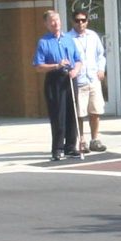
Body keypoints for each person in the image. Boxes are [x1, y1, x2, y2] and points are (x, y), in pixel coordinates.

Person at [33, 9, 84, 162]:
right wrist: (56, 65)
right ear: (47, 24)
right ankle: (57, 148)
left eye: (57, 20)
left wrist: (76, 70)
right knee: (58, 114)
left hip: (70, 77)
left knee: (72, 113)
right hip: (54, 79)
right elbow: (38, 66)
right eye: (52, 21)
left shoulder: (69, 39)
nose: (56, 24)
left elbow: (78, 59)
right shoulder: (44, 42)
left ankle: (70, 146)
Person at [69, 10, 111, 154]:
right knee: (79, 113)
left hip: (93, 79)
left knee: (95, 111)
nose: (80, 23)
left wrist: (101, 69)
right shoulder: (69, 38)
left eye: (83, 20)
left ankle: (95, 140)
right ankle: (82, 141)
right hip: (79, 80)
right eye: (77, 20)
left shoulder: (93, 36)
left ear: (87, 21)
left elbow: (101, 55)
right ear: (72, 21)